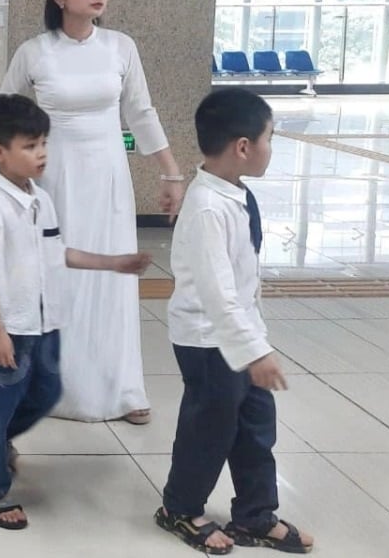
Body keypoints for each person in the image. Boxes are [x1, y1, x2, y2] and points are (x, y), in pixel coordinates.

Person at [0, 0, 185, 424]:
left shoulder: (121, 46)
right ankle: (50, 385)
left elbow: (141, 112)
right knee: (56, 272)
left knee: (110, 278)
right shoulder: (35, 51)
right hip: (51, 176)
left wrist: (170, 171)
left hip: (107, 178)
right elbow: (1, 110)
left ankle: (122, 388)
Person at [0, 94, 151, 530]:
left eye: (43, 143)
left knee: (46, 393)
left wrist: (113, 263)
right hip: (5, 326)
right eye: (30, 146)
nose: (41, 153)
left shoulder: (40, 199)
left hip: (44, 323)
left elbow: (57, 252)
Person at [154, 89, 314, 555]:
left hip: (240, 337)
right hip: (209, 342)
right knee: (210, 428)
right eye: (269, 138)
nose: (271, 147)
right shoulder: (206, 207)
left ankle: (255, 515)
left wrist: (255, 341)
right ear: (243, 146)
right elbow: (217, 293)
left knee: (255, 427)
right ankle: (179, 508)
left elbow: (243, 281)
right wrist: (252, 351)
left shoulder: (235, 194)